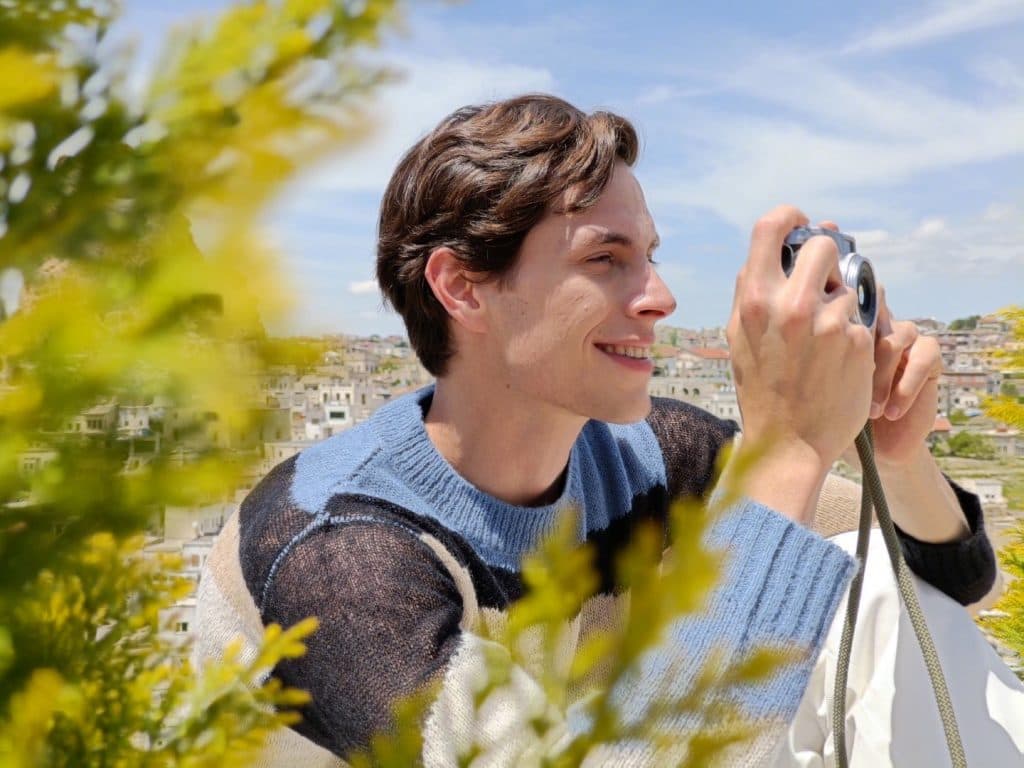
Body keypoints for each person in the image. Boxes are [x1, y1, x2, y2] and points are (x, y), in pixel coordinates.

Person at [194, 94, 999, 766]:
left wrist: (896, 456)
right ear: (462, 288)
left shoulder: (653, 458)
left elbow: (946, 577)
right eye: (606, 259)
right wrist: (786, 448)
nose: (660, 297)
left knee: (880, 592)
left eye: (650, 257)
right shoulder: (333, 552)